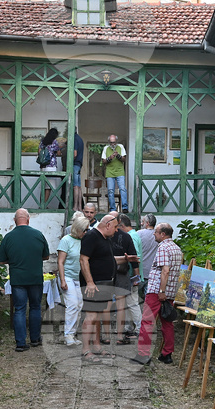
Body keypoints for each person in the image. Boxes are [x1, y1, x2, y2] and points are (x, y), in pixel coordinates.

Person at [80, 214, 135, 361]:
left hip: (104, 283)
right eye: (116, 227)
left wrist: (126, 259)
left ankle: (97, 346)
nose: (117, 230)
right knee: (91, 316)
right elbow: (83, 260)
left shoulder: (105, 238)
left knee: (97, 316)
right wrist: (90, 282)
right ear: (108, 225)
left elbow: (109, 260)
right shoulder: (91, 236)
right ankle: (86, 350)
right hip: (94, 284)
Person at [0, 208, 50, 352]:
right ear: (28, 219)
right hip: (35, 277)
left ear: (15, 220)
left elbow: (1, 260)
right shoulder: (38, 234)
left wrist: (14, 260)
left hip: (18, 279)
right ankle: (35, 339)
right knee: (35, 307)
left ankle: (20, 343)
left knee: (19, 309)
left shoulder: (8, 237)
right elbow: (46, 256)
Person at [133, 222, 183, 365]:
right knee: (167, 322)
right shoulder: (177, 248)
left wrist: (161, 291)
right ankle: (167, 354)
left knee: (147, 321)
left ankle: (143, 354)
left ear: (163, 234)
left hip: (157, 291)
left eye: (156, 232)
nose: (154, 234)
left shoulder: (163, 247)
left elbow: (165, 271)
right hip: (170, 291)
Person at [58, 214, 89, 346]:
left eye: (87, 230)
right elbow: (60, 262)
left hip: (79, 278)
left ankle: (73, 333)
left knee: (79, 305)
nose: (86, 232)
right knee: (72, 304)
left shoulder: (84, 240)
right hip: (68, 276)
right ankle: (68, 335)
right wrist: (63, 280)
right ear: (78, 229)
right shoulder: (66, 240)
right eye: (84, 230)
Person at [112, 214, 141, 343]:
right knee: (121, 305)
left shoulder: (102, 235)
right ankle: (119, 335)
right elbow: (134, 258)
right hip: (121, 272)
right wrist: (136, 275)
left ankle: (108, 335)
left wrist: (136, 276)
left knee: (111, 305)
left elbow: (134, 258)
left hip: (110, 273)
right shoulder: (126, 236)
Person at [101, 134, 128, 213]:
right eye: (111, 142)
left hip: (120, 171)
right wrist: (110, 158)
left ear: (116, 141)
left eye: (114, 142)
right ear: (108, 142)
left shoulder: (121, 146)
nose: (113, 144)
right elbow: (103, 161)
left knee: (122, 189)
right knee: (110, 191)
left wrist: (118, 156)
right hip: (110, 172)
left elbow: (124, 159)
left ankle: (125, 207)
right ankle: (113, 209)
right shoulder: (106, 148)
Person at [39, 128, 64, 209]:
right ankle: (44, 205)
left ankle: (41, 204)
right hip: (51, 166)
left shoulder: (43, 141)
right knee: (49, 187)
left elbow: (39, 152)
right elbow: (58, 153)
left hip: (43, 166)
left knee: (43, 186)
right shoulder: (54, 142)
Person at [137, 214, 158, 298]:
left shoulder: (139, 233)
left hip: (141, 271)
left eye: (143, 222)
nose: (141, 224)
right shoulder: (158, 235)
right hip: (153, 272)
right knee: (149, 299)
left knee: (135, 297)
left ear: (147, 223)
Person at [72, 131, 85, 212]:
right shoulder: (80, 139)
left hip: (75, 164)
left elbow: (75, 154)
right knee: (79, 187)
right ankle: (80, 207)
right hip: (79, 164)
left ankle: (75, 207)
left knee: (75, 186)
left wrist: (69, 162)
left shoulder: (74, 139)